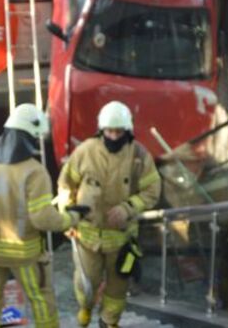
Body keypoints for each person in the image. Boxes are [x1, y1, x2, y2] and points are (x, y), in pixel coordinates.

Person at [0, 103, 87, 328]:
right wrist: (71, 218)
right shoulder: (34, 171)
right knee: (41, 299)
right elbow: (42, 218)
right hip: (23, 252)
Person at [58, 101, 162, 328]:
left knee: (118, 287)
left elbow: (152, 191)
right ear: (101, 129)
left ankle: (109, 321)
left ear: (127, 130)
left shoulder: (139, 156)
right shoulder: (85, 151)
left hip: (122, 238)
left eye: (118, 131)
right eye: (109, 131)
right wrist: (67, 216)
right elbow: (66, 185)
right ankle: (86, 306)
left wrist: (128, 207)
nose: (113, 136)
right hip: (87, 234)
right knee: (87, 282)